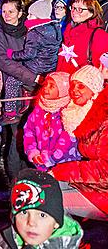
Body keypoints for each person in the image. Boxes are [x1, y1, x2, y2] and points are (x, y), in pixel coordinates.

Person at [52, 65, 108, 220]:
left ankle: (67, 241)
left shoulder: (104, 118)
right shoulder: (78, 114)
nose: (74, 90)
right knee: (44, 189)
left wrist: (60, 171)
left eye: (81, 86)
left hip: (104, 189)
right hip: (97, 184)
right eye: (72, 85)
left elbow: (105, 170)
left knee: (50, 202)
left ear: (94, 90)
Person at [0, 168, 83, 248]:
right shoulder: (3, 241)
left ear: (56, 222)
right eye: (24, 213)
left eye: (42, 215)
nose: (31, 223)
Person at [0, 0, 40, 125]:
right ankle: (10, 113)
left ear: (19, 13)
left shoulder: (31, 28)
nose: (6, 15)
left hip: (34, 80)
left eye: (11, 12)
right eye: (4, 11)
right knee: (16, 130)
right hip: (15, 86)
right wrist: (30, 76)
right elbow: (2, 60)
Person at [23, 72, 80, 170]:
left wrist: (49, 158)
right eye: (45, 84)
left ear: (63, 90)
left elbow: (68, 142)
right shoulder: (39, 109)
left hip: (64, 167)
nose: (46, 88)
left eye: (52, 86)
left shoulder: (69, 113)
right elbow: (29, 130)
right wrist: (32, 151)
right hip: (41, 163)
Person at [9, 0, 62, 76]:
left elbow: (28, 54)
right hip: (50, 69)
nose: (27, 17)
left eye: (30, 15)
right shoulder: (54, 28)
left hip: (35, 69)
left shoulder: (35, 32)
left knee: (12, 81)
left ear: (39, 16)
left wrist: (12, 54)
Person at [56, 0, 108, 74]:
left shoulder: (99, 35)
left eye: (80, 9)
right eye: (73, 8)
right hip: (62, 79)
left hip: (81, 83)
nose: (74, 12)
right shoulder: (68, 29)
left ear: (92, 12)